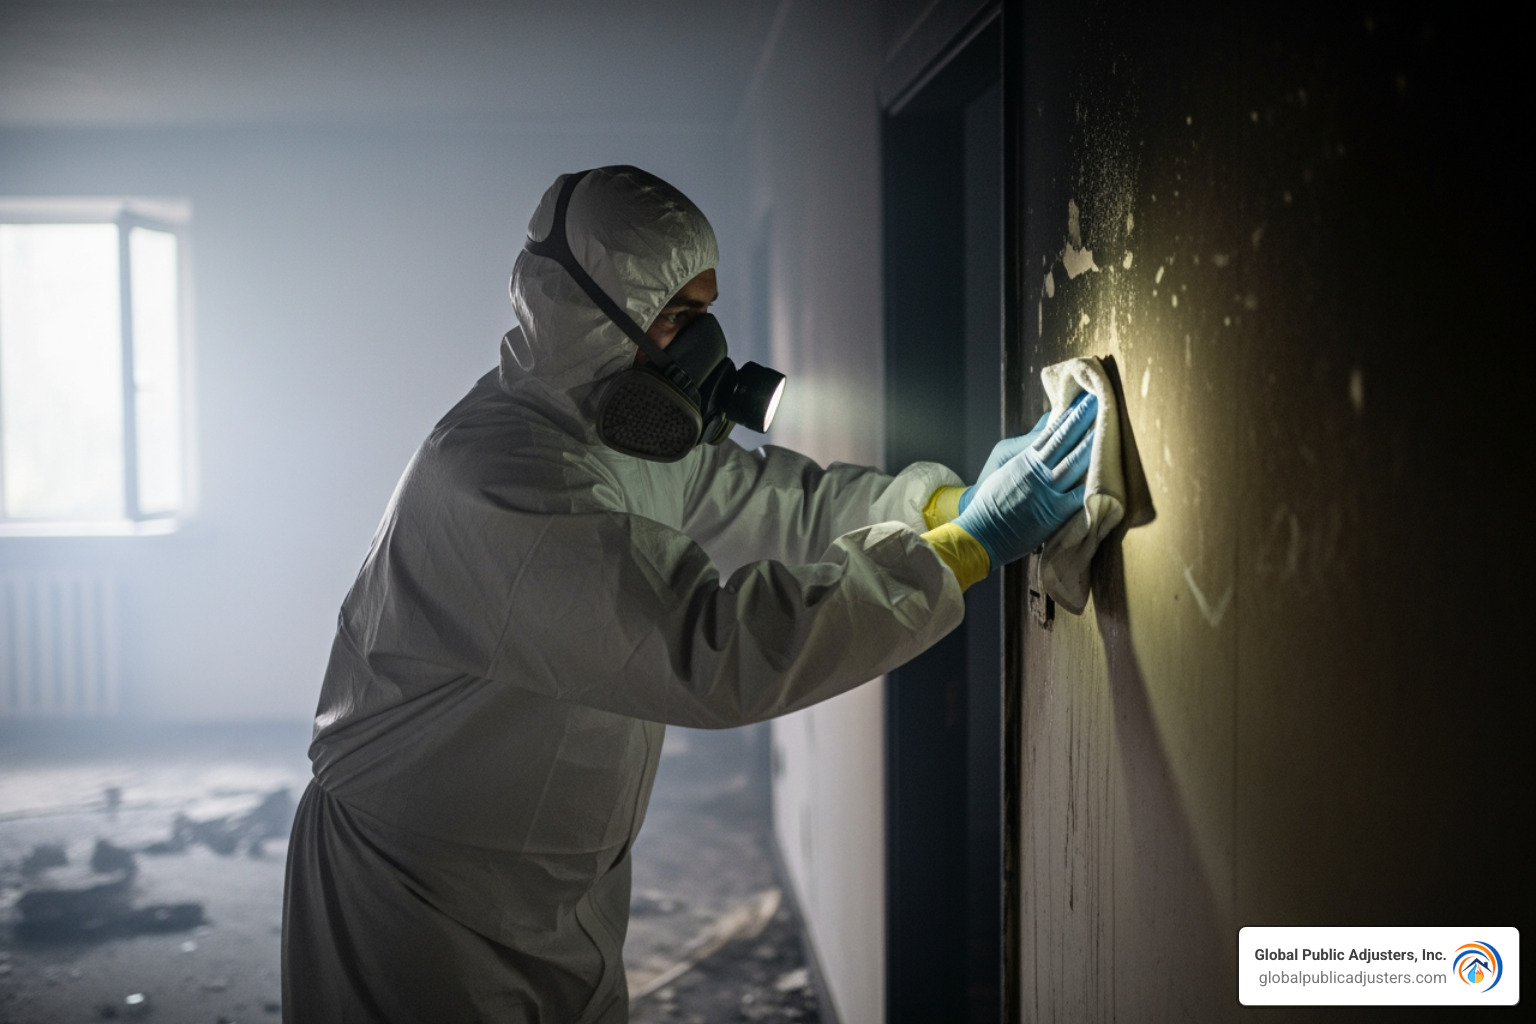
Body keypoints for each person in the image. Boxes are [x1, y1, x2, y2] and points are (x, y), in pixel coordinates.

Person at [281, 165, 1095, 1023]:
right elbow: (711, 653)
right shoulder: (499, 479)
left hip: (551, 881)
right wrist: (959, 553)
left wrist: (939, 505)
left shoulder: (609, 431)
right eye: (674, 318)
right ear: (582, 318)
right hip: (415, 898)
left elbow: (777, 502)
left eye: (702, 316)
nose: (696, 352)